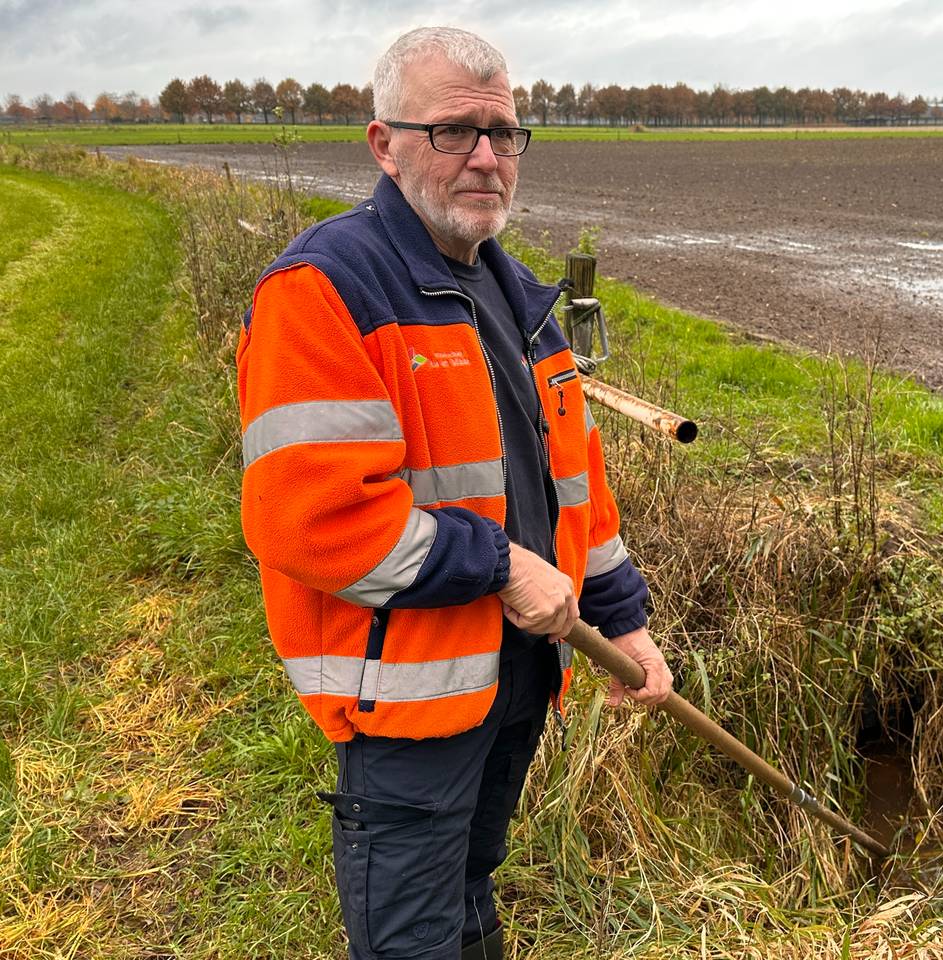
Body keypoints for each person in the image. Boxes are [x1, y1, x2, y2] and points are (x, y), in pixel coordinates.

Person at [235, 26, 673, 960]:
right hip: (410, 697)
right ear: (383, 144)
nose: (485, 157)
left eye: (503, 132)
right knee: (413, 936)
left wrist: (622, 618)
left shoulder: (522, 299)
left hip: (520, 674)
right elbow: (311, 515)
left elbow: (575, 491)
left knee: (472, 890)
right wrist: (500, 565)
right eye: (452, 131)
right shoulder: (324, 290)